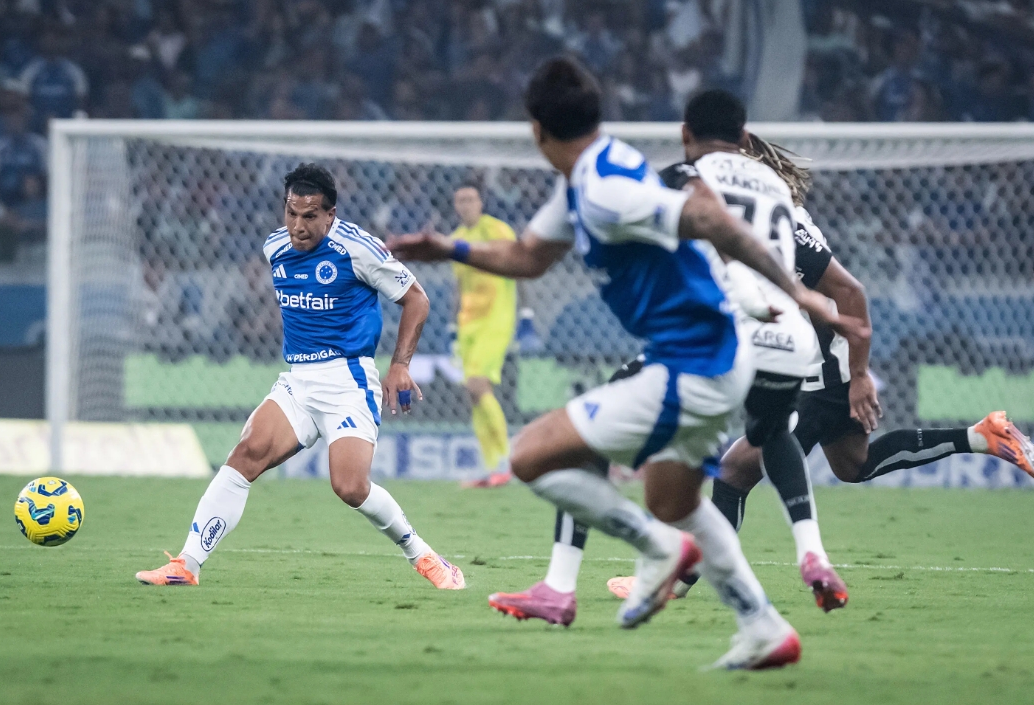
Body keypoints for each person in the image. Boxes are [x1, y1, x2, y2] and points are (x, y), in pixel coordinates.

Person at [390, 57, 865, 670]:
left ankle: (651, 553)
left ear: (536, 131)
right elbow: (530, 256)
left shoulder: (609, 188)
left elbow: (704, 217)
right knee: (678, 501)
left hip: (691, 365)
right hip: (711, 362)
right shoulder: (593, 172)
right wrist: (448, 248)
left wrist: (797, 292)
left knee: (532, 455)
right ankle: (763, 627)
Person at [610, 132, 1034, 604]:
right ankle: (983, 435)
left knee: (733, 473)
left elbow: (850, 292)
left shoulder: (783, 222)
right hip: (808, 362)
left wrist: (857, 375)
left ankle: (676, 578)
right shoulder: (744, 217)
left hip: (818, 368)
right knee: (853, 464)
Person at [491, 91, 848, 626]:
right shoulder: (780, 194)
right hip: (790, 341)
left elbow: (673, 235)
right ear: (745, 139)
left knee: (586, 439)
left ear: (686, 134)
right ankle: (804, 559)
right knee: (757, 445)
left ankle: (567, 583)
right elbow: (845, 287)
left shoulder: (680, 178)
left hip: (718, 337)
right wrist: (852, 367)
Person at [136, 164, 465, 591]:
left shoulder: (358, 249)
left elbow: (416, 300)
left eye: (310, 216)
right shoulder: (274, 248)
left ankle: (425, 557)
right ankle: (187, 564)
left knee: (349, 486)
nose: (298, 225)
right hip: (299, 381)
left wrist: (399, 365)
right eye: (291, 213)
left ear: (330, 215)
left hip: (349, 381)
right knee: (245, 454)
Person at [449, 182, 518, 488]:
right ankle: (492, 468)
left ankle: (505, 461)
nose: (466, 204)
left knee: (479, 385)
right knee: (473, 394)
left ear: (480, 202)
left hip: (495, 319)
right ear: (455, 206)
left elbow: (519, 269)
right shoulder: (454, 240)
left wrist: (527, 315)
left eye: (471, 199)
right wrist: (452, 326)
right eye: (460, 200)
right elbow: (458, 286)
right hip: (468, 324)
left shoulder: (498, 231)